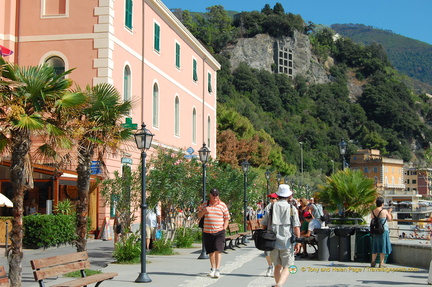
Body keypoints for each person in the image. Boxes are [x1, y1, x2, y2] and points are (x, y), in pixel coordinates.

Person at [262, 184, 301, 287]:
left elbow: (264, 224)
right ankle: (279, 284)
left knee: (277, 266)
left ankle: (278, 284)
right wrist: (298, 241)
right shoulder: (292, 208)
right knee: (288, 266)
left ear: (278, 195)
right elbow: (296, 226)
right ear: (288, 196)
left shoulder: (270, 207)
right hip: (287, 241)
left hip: (272, 240)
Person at [197, 188, 230, 279]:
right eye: (213, 195)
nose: (215, 197)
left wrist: (224, 228)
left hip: (219, 231)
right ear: (210, 195)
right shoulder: (205, 204)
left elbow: (227, 218)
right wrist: (204, 211)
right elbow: (199, 215)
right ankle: (213, 268)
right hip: (208, 231)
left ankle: (218, 269)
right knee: (211, 251)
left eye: (216, 195)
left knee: (218, 250)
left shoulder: (222, 205)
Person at [370, 196, 392, 268]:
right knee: (383, 246)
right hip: (383, 230)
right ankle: (381, 262)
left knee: (375, 246)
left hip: (375, 230)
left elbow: (372, 219)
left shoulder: (373, 211)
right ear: (382, 204)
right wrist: (389, 212)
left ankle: (373, 261)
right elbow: (389, 219)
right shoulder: (384, 211)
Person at [263, 193, 279, 277]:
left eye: (273, 198)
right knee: (267, 251)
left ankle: (277, 268)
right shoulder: (268, 208)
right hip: (269, 232)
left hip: (279, 233)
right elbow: (265, 220)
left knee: (277, 251)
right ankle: (270, 266)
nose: (272, 200)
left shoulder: (281, 207)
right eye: (271, 198)